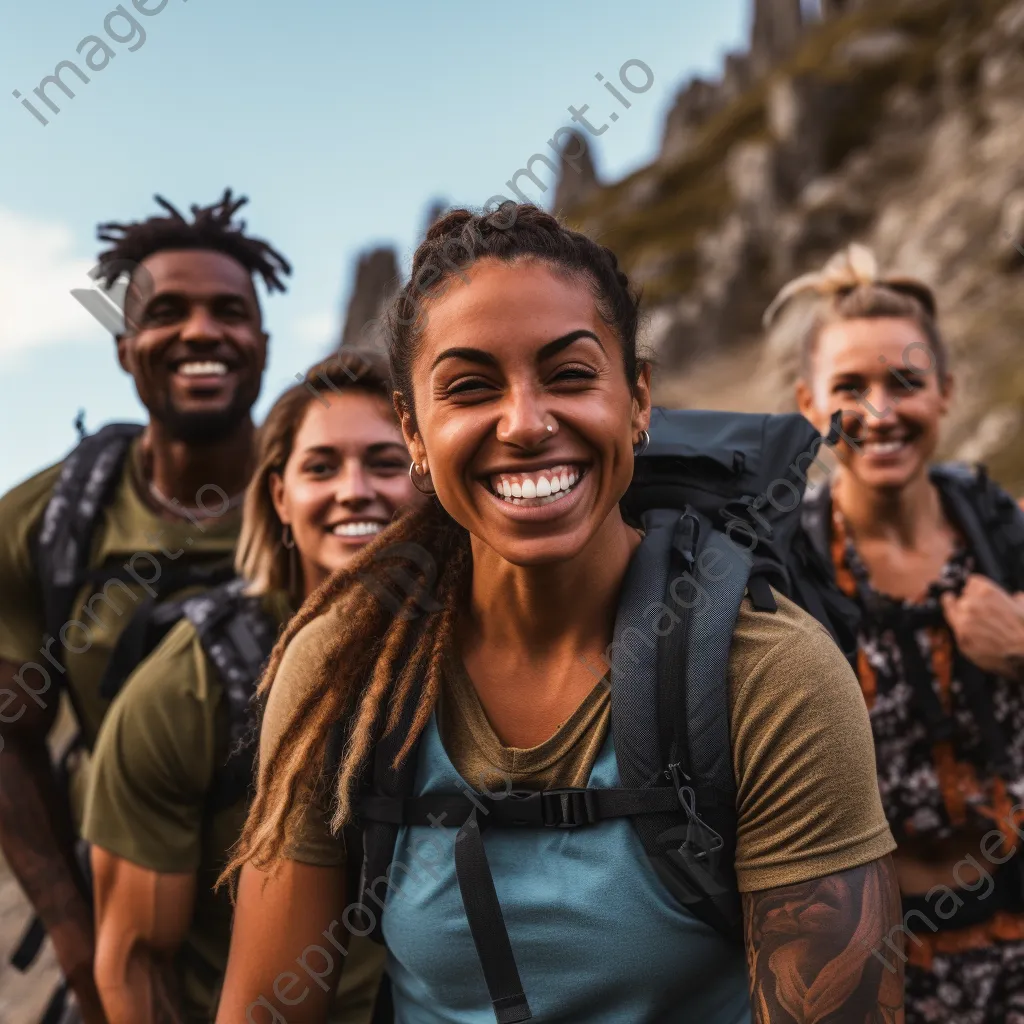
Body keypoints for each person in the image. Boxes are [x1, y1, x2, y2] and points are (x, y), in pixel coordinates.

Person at [215, 205, 903, 1024]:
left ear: (638, 398)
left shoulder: (767, 672)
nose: (527, 423)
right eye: (469, 388)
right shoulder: (344, 669)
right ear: (415, 434)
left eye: (570, 375)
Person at [0, 189, 289, 1023]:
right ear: (126, 348)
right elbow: (11, 737)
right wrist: (73, 934)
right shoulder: (46, 525)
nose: (201, 331)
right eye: (167, 312)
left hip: (342, 942)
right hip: (134, 944)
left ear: (262, 347)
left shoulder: (330, 502)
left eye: (228, 312)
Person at [81, 350, 424, 1023]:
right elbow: (134, 961)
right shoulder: (189, 687)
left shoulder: (494, 647)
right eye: (320, 467)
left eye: (385, 463)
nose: (355, 489)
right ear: (279, 497)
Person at [770, 243, 1024, 1023]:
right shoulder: (784, 567)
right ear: (810, 405)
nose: (880, 412)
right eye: (851, 387)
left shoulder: (1000, 528)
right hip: (888, 966)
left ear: (945, 392)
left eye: (905, 382)